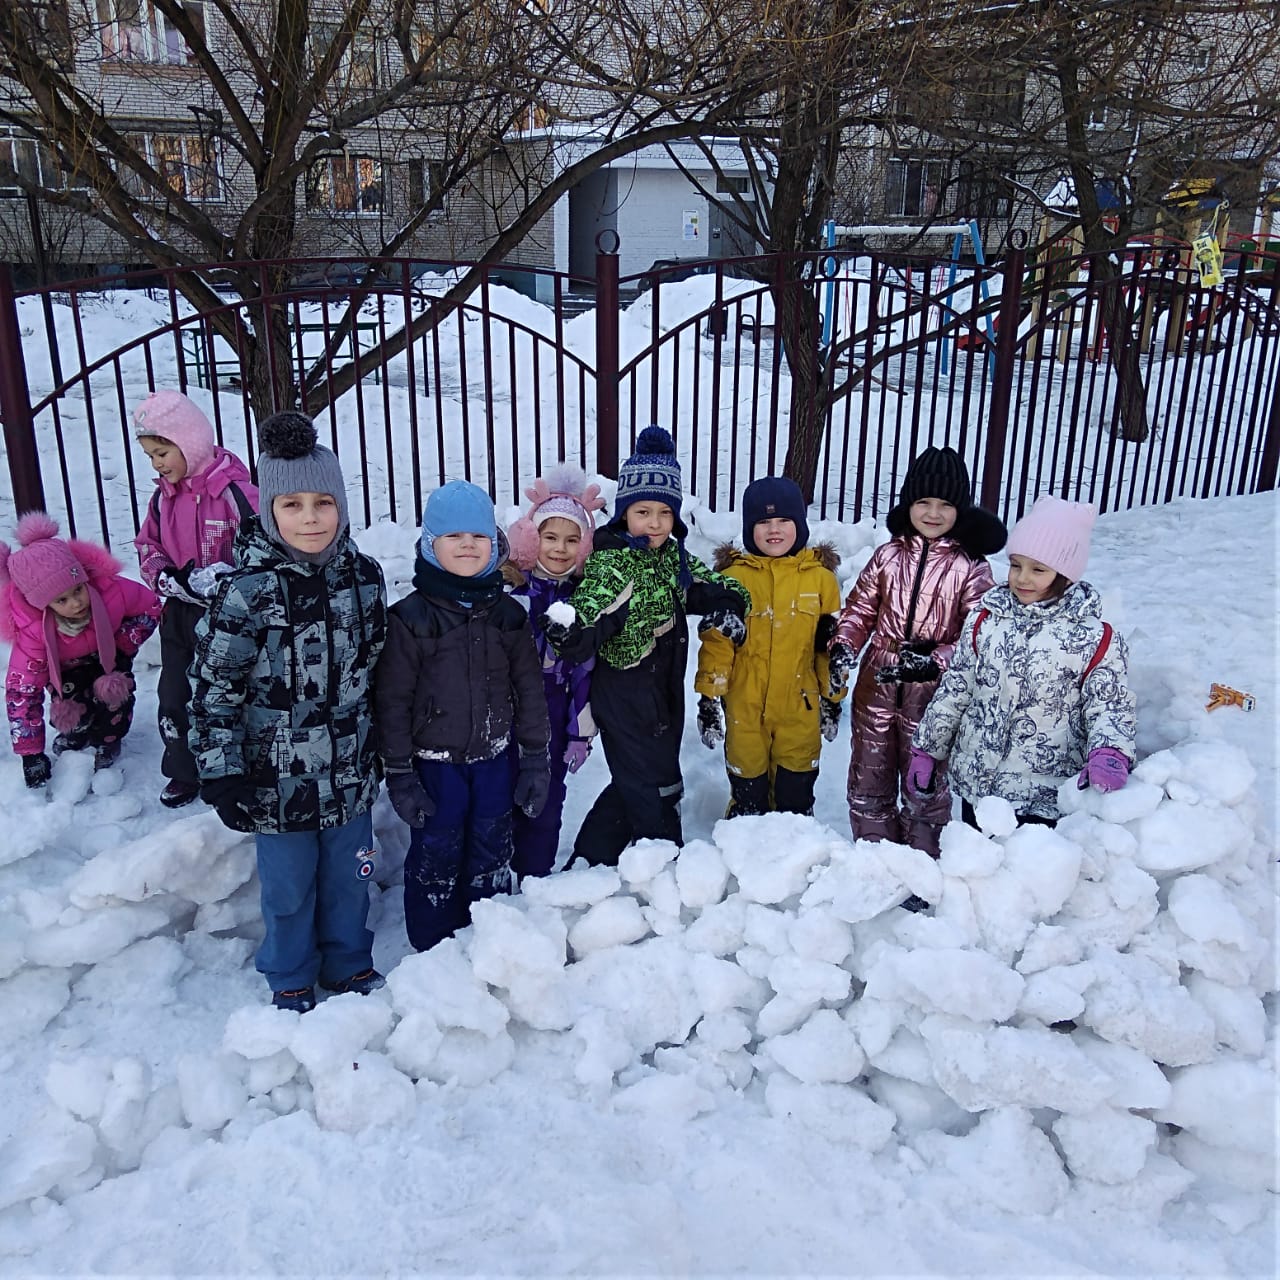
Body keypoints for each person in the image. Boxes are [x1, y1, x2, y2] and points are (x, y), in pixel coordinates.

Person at [189, 412, 386, 1013]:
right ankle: (291, 971)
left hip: (349, 769)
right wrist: (221, 770)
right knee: (288, 887)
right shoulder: (246, 592)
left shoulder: (364, 578)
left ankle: (348, 961)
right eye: (292, 505)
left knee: (350, 877)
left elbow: (378, 669)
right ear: (269, 511)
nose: (310, 518)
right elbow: (215, 686)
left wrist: (384, 748)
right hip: (275, 781)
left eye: (323, 503)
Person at [543, 426, 750, 866]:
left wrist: (729, 604)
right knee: (656, 785)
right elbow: (591, 606)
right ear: (624, 514)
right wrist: (570, 631)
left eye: (664, 512)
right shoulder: (614, 562)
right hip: (625, 694)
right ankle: (665, 861)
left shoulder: (672, 557)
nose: (654, 523)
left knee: (637, 781)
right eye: (642, 511)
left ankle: (590, 860)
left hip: (662, 693)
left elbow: (713, 585)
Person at [376, 480, 550, 952]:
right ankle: (434, 949)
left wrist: (535, 760)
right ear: (430, 545)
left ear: (495, 544)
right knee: (437, 851)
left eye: (478, 536)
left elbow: (529, 692)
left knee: (492, 846)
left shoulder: (508, 616)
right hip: (434, 767)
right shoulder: (409, 620)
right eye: (453, 536)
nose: (468, 545)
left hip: (495, 761)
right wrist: (400, 774)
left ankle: (487, 938)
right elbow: (393, 702)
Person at [911, 494, 1136, 828]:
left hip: (1044, 796)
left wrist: (1110, 751)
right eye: (1016, 565)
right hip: (979, 786)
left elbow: (1109, 705)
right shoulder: (985, 620)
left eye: (1038, 569)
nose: (1022, 578)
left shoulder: (1094, 639)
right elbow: (956, 689)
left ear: (1065, 573)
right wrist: (928, 748)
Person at [827, 446, 1006, 856]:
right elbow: (860, 609)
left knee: (924, 782)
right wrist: (844, 643)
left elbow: (981, 632)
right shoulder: (888, 556)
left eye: (945, 505)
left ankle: (922, 861)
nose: (933, 513)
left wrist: (936, 660)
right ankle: (876, 857)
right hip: (878, 681)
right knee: (869, 777)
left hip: (934, 696)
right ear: (909, 504)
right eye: (924, 502)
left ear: (961, 510)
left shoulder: (970, 566)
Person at [132, 389, 258, 809]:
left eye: (162, 452)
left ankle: (237, 763)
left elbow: (262, 549)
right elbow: (147, 546)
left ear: (189, 441)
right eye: (150, 455)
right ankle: (184, 767)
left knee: (228, 692)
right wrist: (165, 576)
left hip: (229, 618)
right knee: (175, 692)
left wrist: (222, 580)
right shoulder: (162, 498)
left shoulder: (236, 493)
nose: (157, 463)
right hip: (179, 614)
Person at [694, 476, 845, 817]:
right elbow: (718, 643)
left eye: (783, 520)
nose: (773, 530)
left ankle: (796, 839)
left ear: (799, 524)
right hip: (745, 705)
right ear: (750, 528)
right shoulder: (734, 579)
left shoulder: (820, 580)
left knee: (795, 793)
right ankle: (744, 835)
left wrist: (833, 698)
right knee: (748, 788)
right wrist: (709, 697)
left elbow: (829, 647)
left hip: (800, 706)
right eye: (763, 522)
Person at [1, 513, 161, 785]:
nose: (76, 603)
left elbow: (150, 606)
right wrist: (30, 753)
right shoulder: (33, 632)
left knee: (115, 699)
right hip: (65, 671)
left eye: (78, 590)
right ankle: (76, 733)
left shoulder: (110, 591)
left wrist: (123, 644)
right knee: (72, 704)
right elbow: (22, 691)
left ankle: (108, 740)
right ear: (43, 605)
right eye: (61, 600)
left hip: (109, 657)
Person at [503, 464, 605, 878]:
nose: (560, 549)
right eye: (550, 537)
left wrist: (580, 733)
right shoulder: (510, 591)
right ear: (531, 538)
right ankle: (495, 876)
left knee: (545, 799)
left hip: (555, 712)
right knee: (500, 796)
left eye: (572, 540)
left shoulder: (584, 600)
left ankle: (535, 877)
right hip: (505, 712)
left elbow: (585, 673)